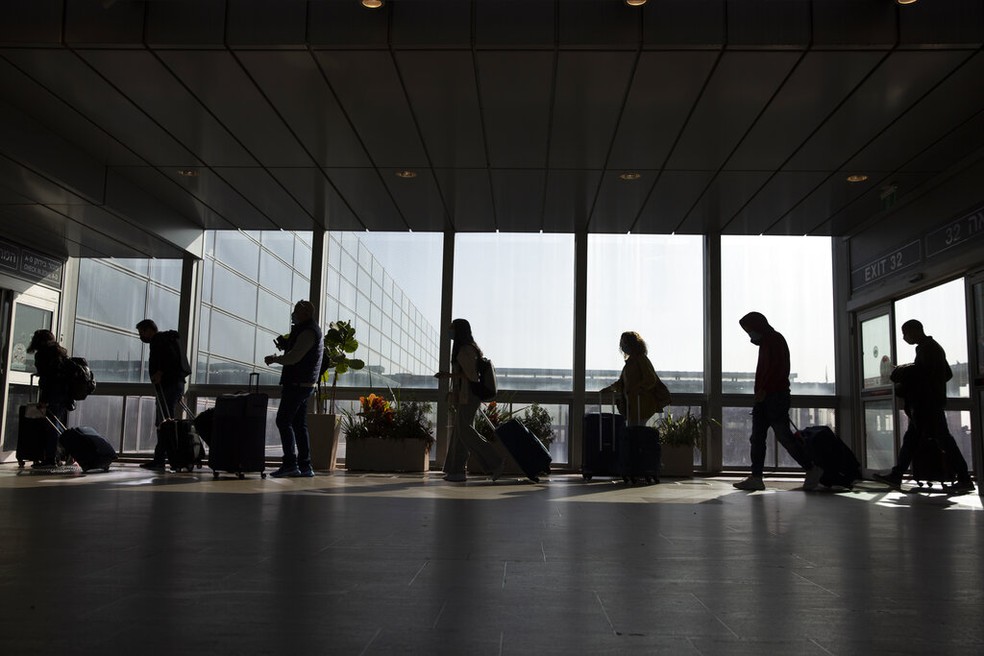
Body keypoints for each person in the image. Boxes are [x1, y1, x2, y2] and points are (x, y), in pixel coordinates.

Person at [874, 320, 974, 494]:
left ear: (915, 331)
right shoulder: (932, 347)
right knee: (919, 439)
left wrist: (902, 372)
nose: (904, 338)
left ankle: (964, 478)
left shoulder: (927, 349)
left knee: (939, 440)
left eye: (905, 334)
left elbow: (921, 373)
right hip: (930, 404)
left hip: (926, 406)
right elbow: (947, 373)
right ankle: (897, 475)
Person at [733, 312, 822, 491]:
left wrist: (764, 390)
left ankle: (811, 468)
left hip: (773, 397)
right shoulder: (768, 342)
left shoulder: (773, 340)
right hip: (767, 397)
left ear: (758, 326)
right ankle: (757, 476)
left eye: (750, 330)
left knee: (780, 436)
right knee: (760, 438)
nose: (750, 335)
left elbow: (777, 369)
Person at [435, 318, 505, 483]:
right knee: (460, 433)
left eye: (452, 327)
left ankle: (495, 462)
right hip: (465, 396)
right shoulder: (468, 348)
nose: (449, 329)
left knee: (465, 431)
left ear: (459, 330)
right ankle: (456, 470)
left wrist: (448, 375)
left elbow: (471, 375)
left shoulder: (466, 349)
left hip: (469, 397)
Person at [264, 300, 324, 478]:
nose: (294, 314)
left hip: (298, 384)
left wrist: (275, 359)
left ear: (306, 313)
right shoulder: (309, 330)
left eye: (297, 311)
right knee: (299, 425)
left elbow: (294, 358)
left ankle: (290, 464)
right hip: (305, 384)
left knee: (283, 421)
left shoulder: (307, 332)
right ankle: (305, 466)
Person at [136, 319, 192, 471]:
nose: (141, 336)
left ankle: (160, 459)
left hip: (167, 386)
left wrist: (159, 372)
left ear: (149, 330)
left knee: (164, 424)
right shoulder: (167, 339)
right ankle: (164, 457)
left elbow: (169, 358)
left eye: (141, 332)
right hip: (175, 385)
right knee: (166, 424)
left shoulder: (158, 340)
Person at [26, 329, 74, 468]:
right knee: (57, 425)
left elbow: (48, 380)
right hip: (64, 394)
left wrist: (43, 399)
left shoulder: (43, 354)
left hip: (53, 395)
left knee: (52, 427)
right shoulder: (60, 352)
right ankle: (65, 452)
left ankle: (51, 458)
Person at [598, 331, 666, 427]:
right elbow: (622, 382)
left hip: (641, 404)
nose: (622, 346)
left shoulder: (640, 359)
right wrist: (609, 389)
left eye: (625, 343)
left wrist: (637, 389)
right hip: (634, 405)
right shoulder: (631, 362)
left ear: (633, 344)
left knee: (635, 430)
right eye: (622, 343)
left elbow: (650, 379)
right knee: (634, 430)